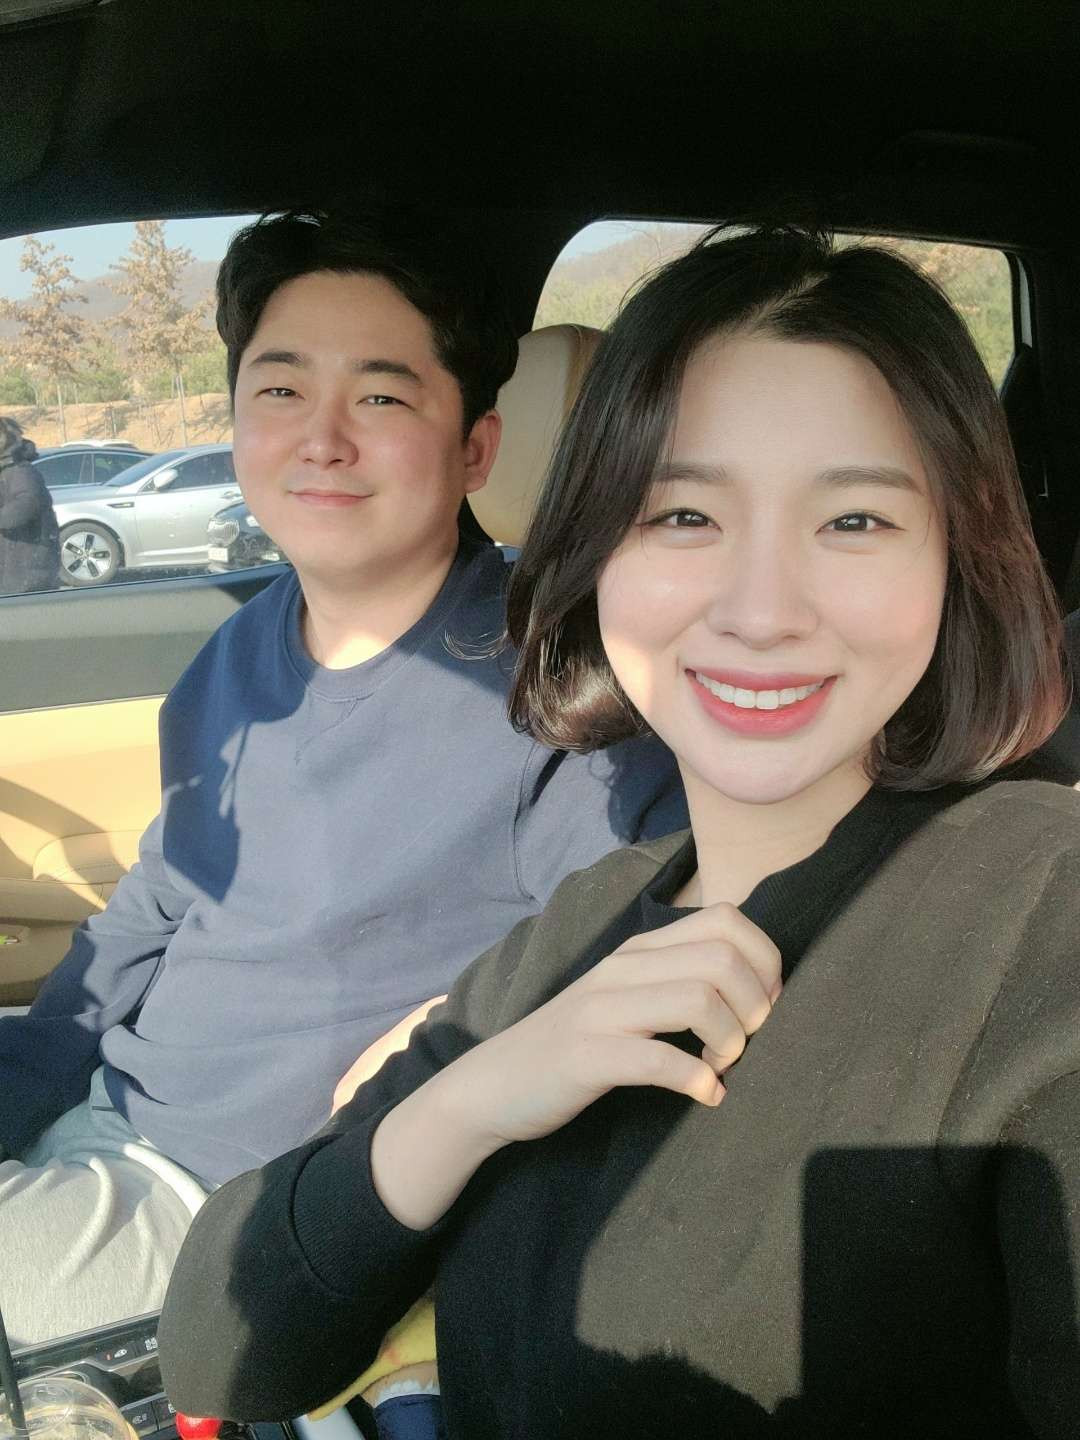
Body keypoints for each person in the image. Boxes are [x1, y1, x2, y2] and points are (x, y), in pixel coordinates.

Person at [159, 226, 1080, 1440]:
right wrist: (475, 1098)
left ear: (957, 558)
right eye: (683, 515)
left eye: (856, 521)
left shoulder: (1043, 921)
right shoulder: (580, 932)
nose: (762, 611)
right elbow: (218, 1345)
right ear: (593, 552)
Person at [0, 211, 686, 1348]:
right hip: (105, 1112)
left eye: (379, 397)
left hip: (235, 1205)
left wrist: (451, 1044)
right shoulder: (235, 657)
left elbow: (642, 947)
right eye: (280, 390)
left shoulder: (561, 700)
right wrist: (24, 1080)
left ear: (476, 449)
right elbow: (156, 905)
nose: (321, 439)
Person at [0, 417, 58, 595]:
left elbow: (27, 505)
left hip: (25, 567)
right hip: (15, 566)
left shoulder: (20, 471)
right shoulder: (7, 470)